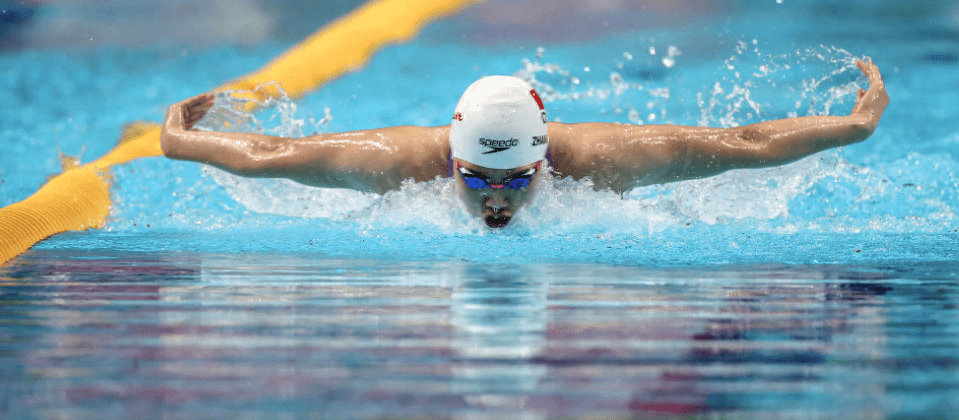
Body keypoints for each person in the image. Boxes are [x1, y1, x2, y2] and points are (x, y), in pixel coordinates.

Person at [160, 59, 888, 229]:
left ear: (545, 159)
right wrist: (179, 141)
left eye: (517, 178)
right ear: (452, 158)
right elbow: (269, 154)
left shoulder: (600, 161)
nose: (498, 199)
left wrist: (852, 128)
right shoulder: (395, 163)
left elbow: (743, 143)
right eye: (479, 179)